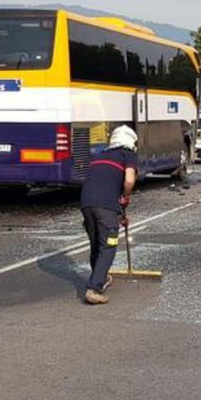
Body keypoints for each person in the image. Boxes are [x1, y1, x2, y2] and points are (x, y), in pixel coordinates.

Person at [79, 125, 139, 305]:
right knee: (109, 245)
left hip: (86, 204)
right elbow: (129, 180)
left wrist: (118, 212)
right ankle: (94, 289)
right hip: (105, 206)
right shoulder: (127, 154)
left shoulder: (100, 155)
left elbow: (104, 184)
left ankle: (100, 278)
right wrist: (126, 196)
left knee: (97, 244)